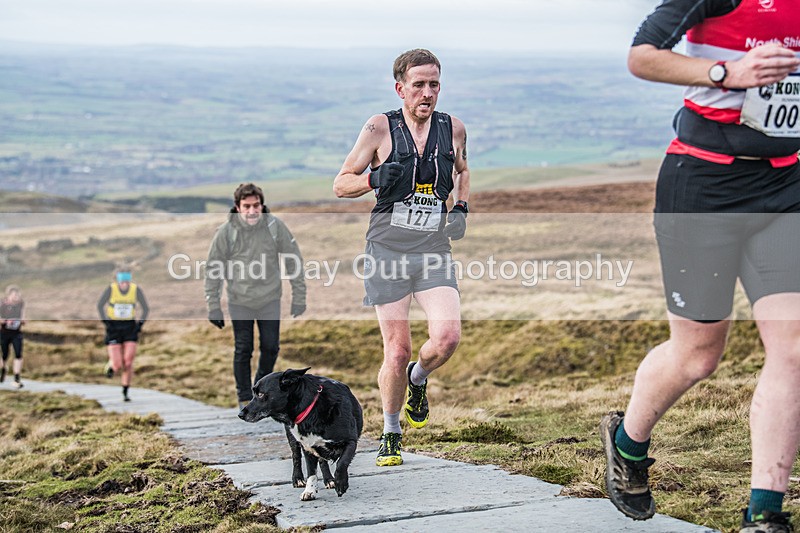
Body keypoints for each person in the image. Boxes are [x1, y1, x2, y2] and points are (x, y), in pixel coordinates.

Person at [600, 2, 800, 531]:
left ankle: (765, 514)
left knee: (795, 348)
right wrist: (725, 73)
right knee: (697, 356)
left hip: (785, 188)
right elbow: (642, 57)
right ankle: (628, 445)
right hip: (702, 186)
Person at [333, 48, 470, 467]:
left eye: (434, 85)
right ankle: (391, 431)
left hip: (432, 249)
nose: (427, 93)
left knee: (447, 338)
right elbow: (341, 184)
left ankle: (418, 379)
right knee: (396, 349)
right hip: (387, 250)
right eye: (418, 85)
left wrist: (461, 208)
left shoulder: (454, 128)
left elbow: (462, 171)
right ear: (401, 89)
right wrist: (373, 177)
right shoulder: (379, 127)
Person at [204, 182, 307, 410]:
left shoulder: (274, 227)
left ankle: (258, 390)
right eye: (247, 206)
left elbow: (293, 260)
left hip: (270, 298)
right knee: (243, 348)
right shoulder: (226, 233)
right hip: (239, 300)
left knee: (271, 347)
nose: (252, 211)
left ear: (262, 205)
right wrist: (213, 305)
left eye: (256, 205)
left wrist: (299, 296)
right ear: (238, 207)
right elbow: (213, 268)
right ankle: (243, 397)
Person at [97, 269, 149, 401]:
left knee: (128, 362)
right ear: (118, 281)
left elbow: (145, 308)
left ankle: (125, 391)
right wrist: (106, 322)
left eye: (127, 281)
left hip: (130, 329)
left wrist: (140, 324)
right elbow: (100, 305)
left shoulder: (136, 290)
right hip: (113, 328)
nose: (125, 284)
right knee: (117, 364)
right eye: (122, 282)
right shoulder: (111, 289)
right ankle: (111, 366)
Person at [0, 285, 26, 389]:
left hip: (16, 333)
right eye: (14, 295)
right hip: (4, 333)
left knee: (18, 354)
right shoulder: (2, 304)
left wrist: (23, 320)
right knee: (4, 355)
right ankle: (3, 369)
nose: (16, 297)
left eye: (17, 295)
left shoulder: (21, 303)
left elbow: (23, 315)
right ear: (9, 295)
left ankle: (17, 378)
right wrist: (5, 321)